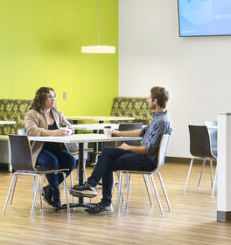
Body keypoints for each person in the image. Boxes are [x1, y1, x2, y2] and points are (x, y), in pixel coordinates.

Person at [71, 86, 173, 214]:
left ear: (155, 101)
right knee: (106, 153)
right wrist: (119, 134)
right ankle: (92, 187)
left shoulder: (162, 122)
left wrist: (128, 147)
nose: (147, 100)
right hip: (144, 156)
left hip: (147, 161)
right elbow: (142, 131)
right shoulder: (158, 118)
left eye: (149, 98)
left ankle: (101, 197)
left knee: (107, 161)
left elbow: (148, 150)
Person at [23, 86, 76, 208]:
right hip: (39, 150)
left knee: (71, 160)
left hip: (56, 148)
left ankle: (49, 189)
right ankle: (56, 194)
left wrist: (68, 131)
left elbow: (70, 126)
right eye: (49, 97)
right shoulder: (32, 114)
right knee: (52, 161)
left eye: (54, 96)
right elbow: (30, 130)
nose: (53, 99)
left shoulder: (57, 113)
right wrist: (53, 132)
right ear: (41, 99)